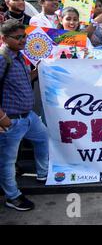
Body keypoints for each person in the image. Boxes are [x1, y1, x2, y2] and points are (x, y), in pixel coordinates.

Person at [0, 20, 49, 211]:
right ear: (4, 38)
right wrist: (2, 117)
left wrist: (38, 70)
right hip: (11, 120)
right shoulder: (3, 58)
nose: (22, 40)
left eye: (24, 36)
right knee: (7, 161)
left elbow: (23, 81)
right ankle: (12, 196)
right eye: (18, 37)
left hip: (28, 117)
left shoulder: (18, 56)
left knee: (43, 138)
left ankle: (43, 173)